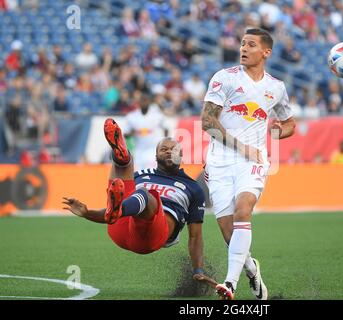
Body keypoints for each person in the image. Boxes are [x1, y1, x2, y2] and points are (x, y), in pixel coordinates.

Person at [201, 28, 296, 300]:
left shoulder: (276, 88)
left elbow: (289, 124)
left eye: (251, 45)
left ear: (266, 52)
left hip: (252, 162)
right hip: (219, 162)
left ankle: (229, 284)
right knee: (229, 234)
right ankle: (252, 269)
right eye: (242, 43)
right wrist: (241, 146)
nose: (243, 48)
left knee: (244, 210)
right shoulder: (224, 78)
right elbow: (208, 122)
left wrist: (279, 131)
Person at [63, 120, 209, 284]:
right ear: (156, 156)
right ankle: (122, 158)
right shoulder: (141, 175)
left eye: (174, 149)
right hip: (120, 230)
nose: (169, 152)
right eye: (164, 149)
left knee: (144, 194)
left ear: (181, 155)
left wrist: (198, 270)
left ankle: (122, 161)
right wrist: (86, 213)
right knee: (127, 172)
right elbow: (114, 210)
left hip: (152, 237)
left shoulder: (193, 187)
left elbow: (195, 236)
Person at [123, 93, 169, 171]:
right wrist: (131, 133)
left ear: (149, 102)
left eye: (146, 100)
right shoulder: (132, 116)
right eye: (142, 100)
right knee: (138, 172)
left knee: (151, 172)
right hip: (138, 149)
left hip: (152, 149)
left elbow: (166, 128)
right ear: (139, 102)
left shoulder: (157, 115)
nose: (144, 102)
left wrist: (164, 142)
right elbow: (126, 134)